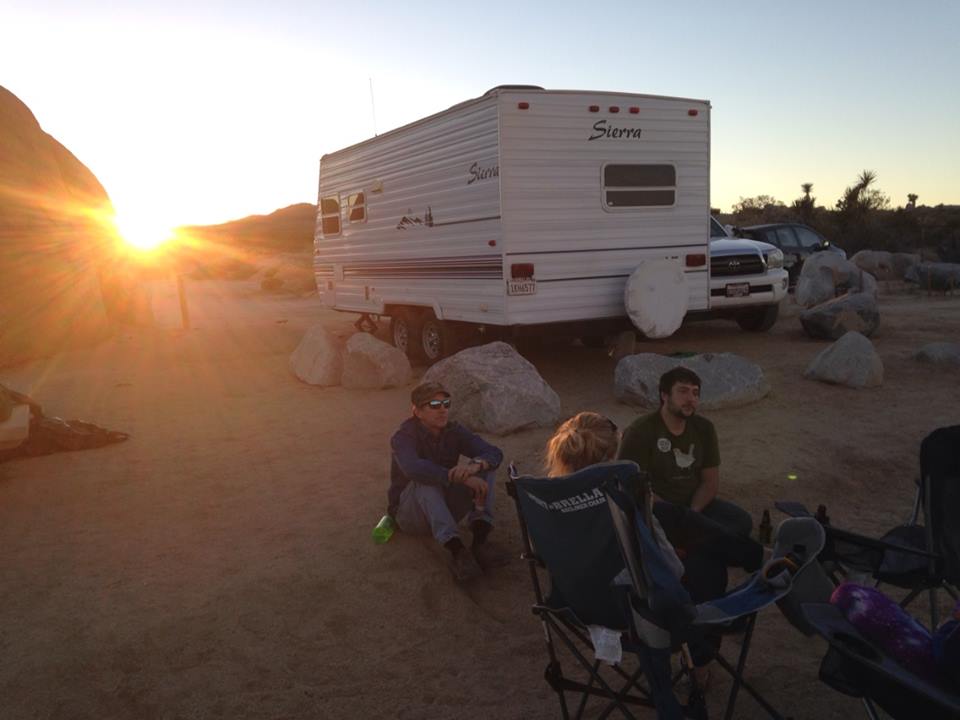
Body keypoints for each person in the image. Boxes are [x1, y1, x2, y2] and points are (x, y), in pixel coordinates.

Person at [544, 411, 716, 693]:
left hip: (576, 607)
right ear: (612, 455)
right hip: (636, 613)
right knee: (706, 567)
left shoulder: (547, 499)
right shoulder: (627, 494)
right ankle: (700, 664)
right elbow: (672, 569)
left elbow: (546, 555)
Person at [617, 366, 753, 539]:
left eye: (695, 393)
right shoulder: (641, 431)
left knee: (741, 522)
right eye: (683, 391)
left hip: (695, 504)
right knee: (661, 532)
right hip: (658, 508)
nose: (691, 399)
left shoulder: (704, 428)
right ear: (664, 395)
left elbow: (710, 482)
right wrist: (678, 516)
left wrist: (693, 513)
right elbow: (632, 486)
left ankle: (693, 541)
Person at [389, 381, 504, 582]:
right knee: (426, 480)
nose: (442, 410)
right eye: (433, 405)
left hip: (442, 505)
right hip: (411, 514)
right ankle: (457, 550)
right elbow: (413, 468)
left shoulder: (454, 430)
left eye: (446, 404)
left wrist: (474, 467)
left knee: (486, 467)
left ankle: (480, 539)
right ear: (416, 411)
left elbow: (493, 452)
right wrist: (457, 477)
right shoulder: (403, 436)